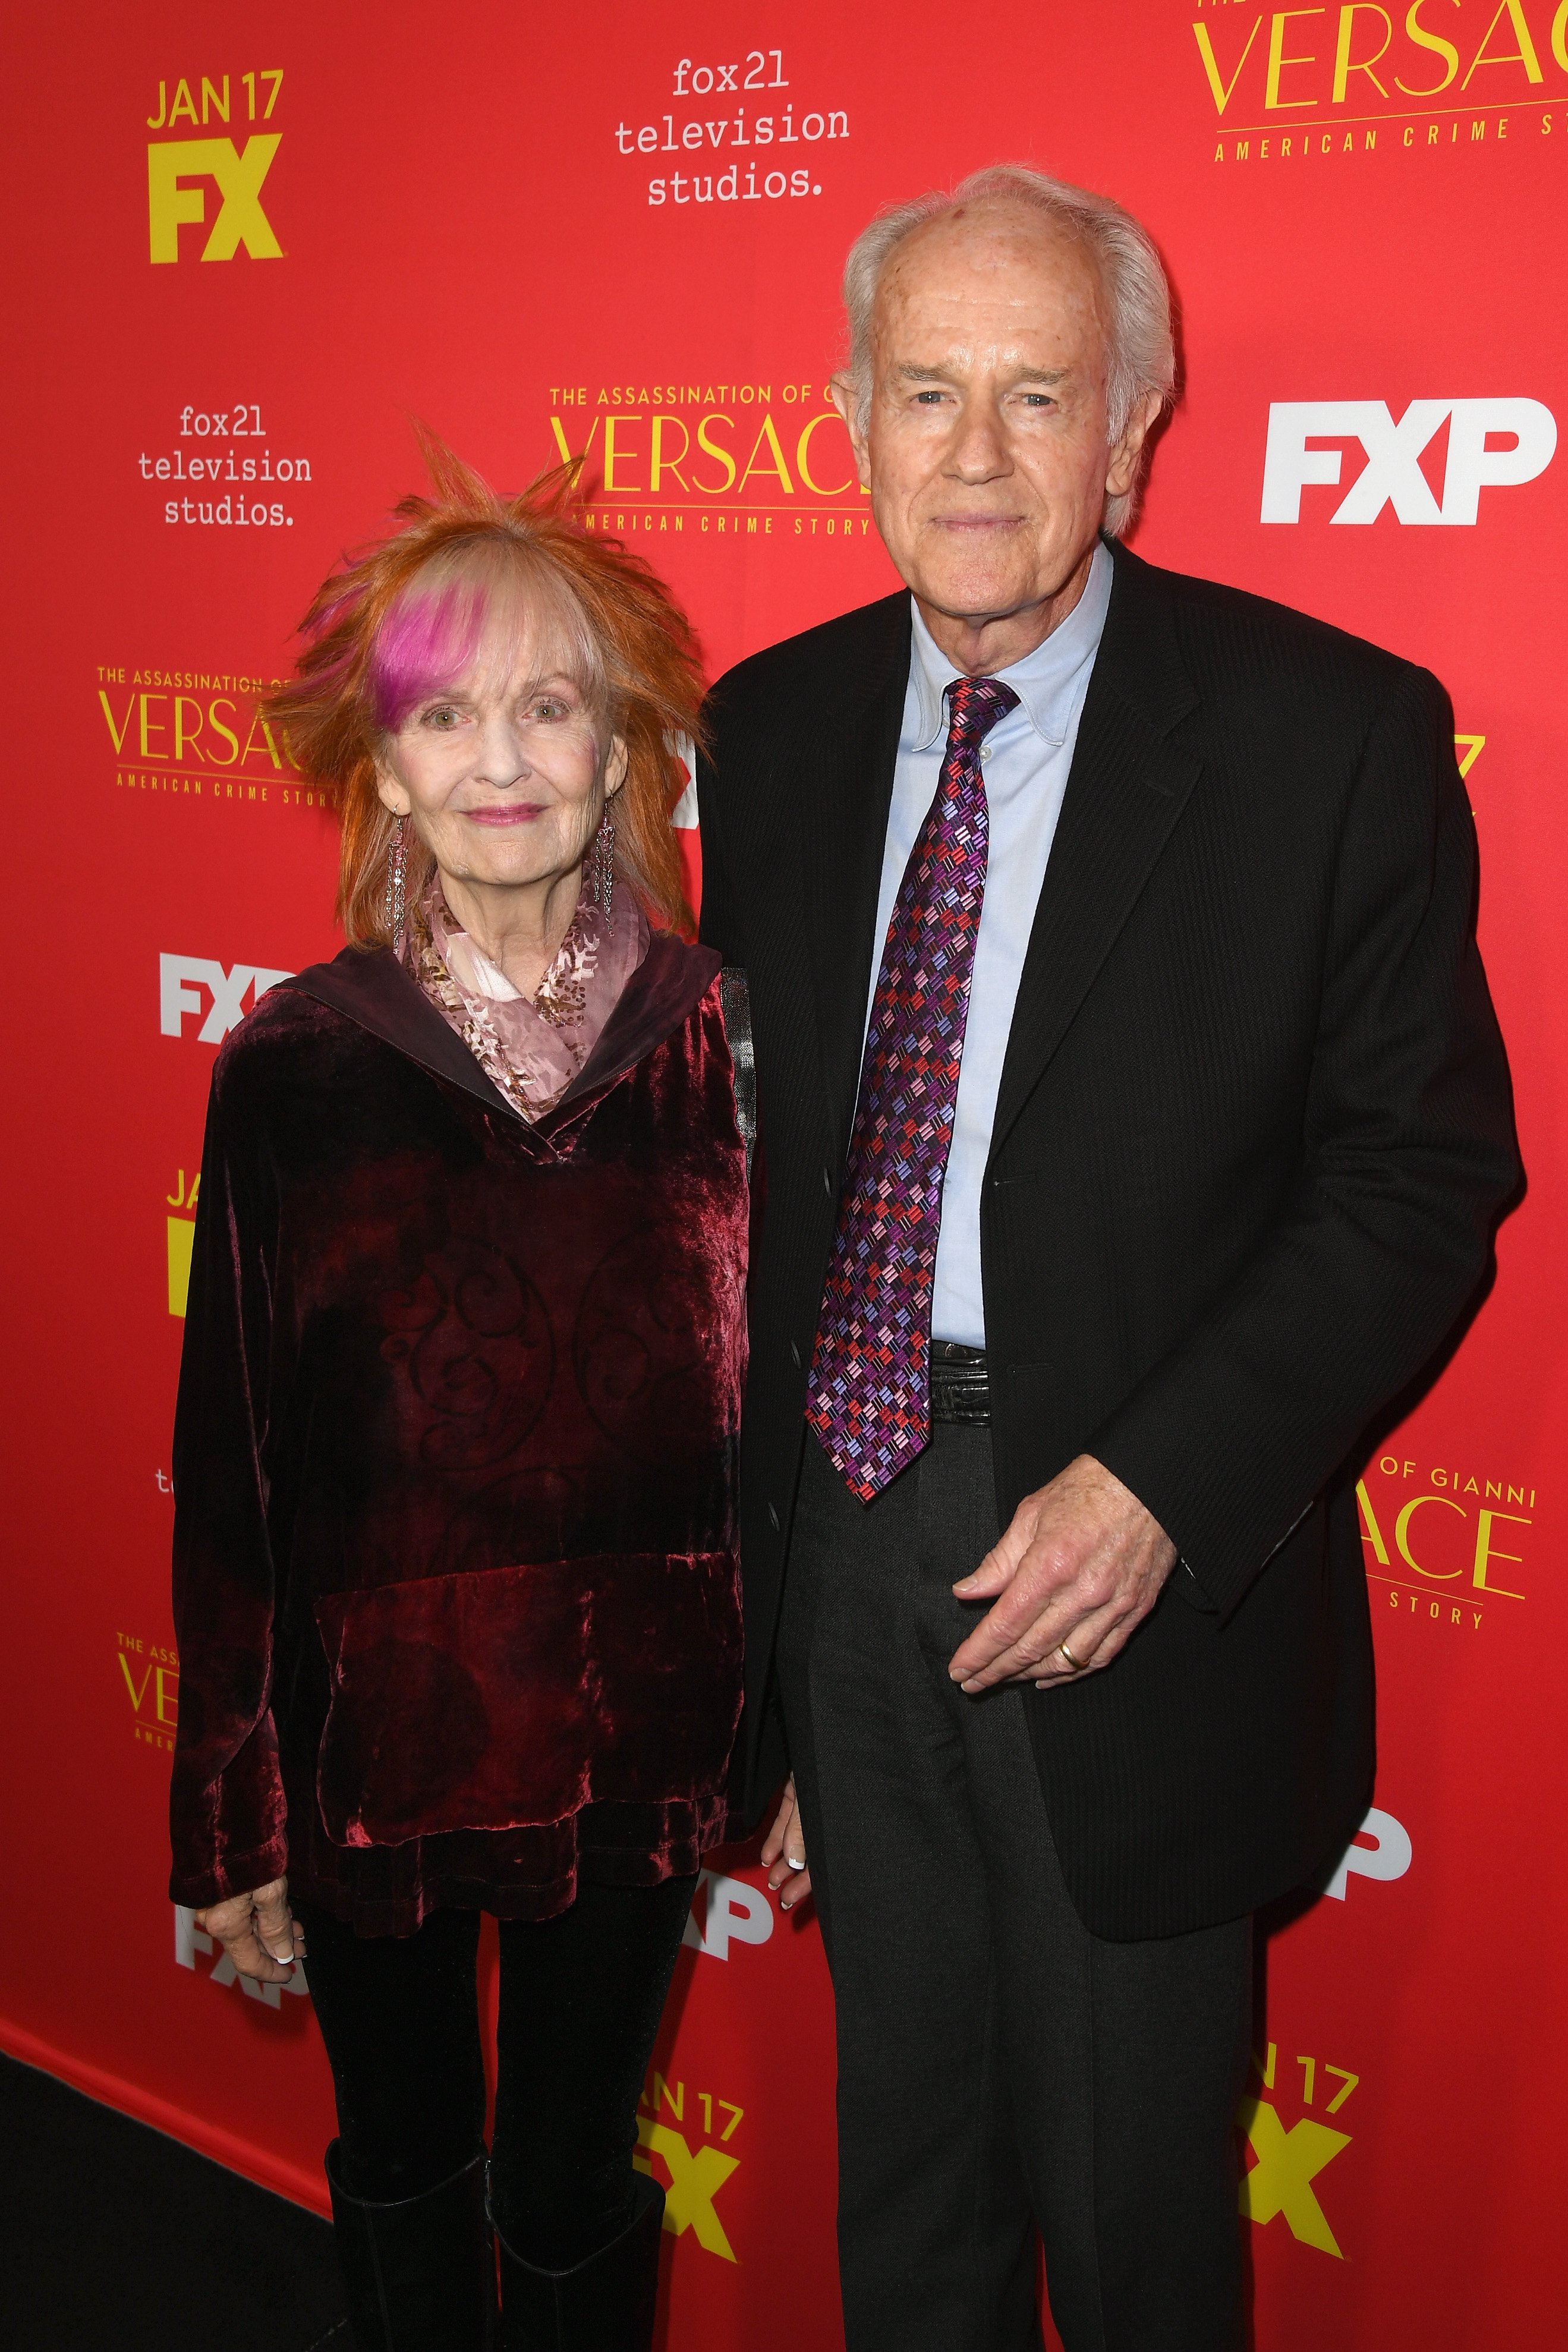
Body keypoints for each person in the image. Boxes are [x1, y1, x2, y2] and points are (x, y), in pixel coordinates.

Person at [700, 166, 1519, 2351]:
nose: (974, 457)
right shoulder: (762, 732)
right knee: (914, 2189)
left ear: (1135, 427)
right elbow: (745, 1199)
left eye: (1039, 393)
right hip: (845, 1545)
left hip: (1139, 1565)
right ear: (852, 415)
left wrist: (1160, 1485)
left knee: (1144, 2223)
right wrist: (754, 1623)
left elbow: (1421, 1178)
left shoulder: (1327, 734)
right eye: (927, 391)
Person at [168, 443, 751, 2352]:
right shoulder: (295, 1072)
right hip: (375, 1753)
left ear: (621, 751)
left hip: (640, 1736)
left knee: (577, 2172)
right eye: (444, 712)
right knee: (407, 2149)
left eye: (550, 704)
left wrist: (800, 1726)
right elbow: (234, 1472)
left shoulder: (720, 1051)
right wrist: (227, 1808)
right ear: (384, 763)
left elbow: (797, 1429)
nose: (500, 757)